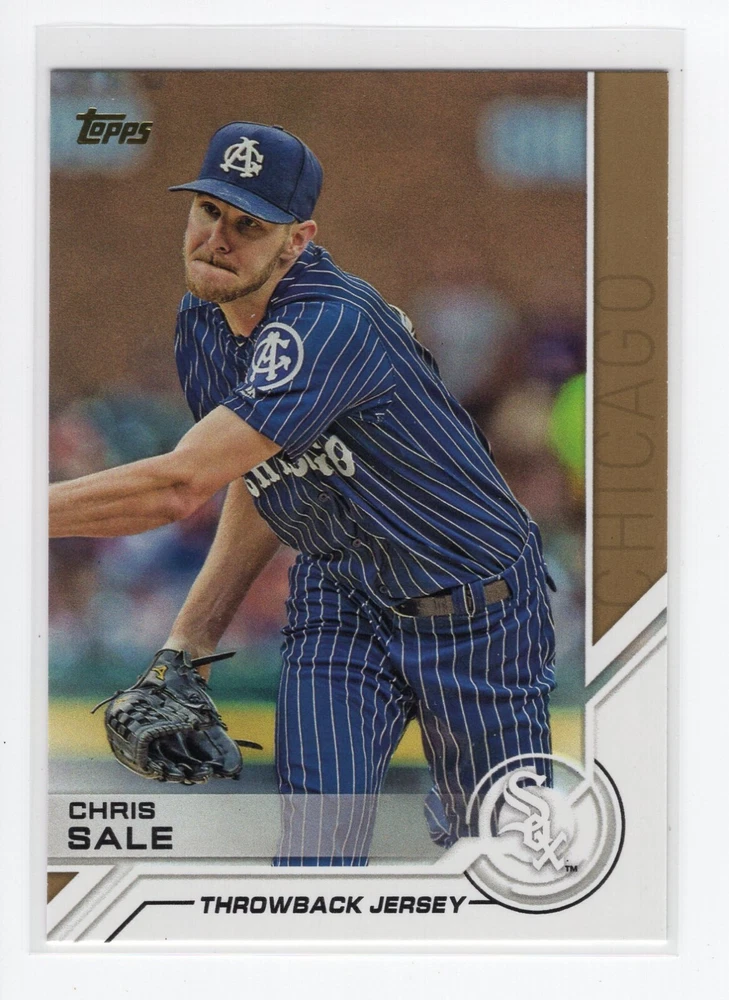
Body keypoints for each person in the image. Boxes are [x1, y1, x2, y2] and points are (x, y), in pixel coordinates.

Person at [50, 121, 557, 866]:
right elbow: (259, 474)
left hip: (476, 608)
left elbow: (178, 486)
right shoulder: (204, 318)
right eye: (207, 211)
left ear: (295, 241)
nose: (216, 239)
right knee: (314, 862)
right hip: (340, 598)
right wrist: (188, 645)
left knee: (500, 863)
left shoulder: (328, 323)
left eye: (248, 225)